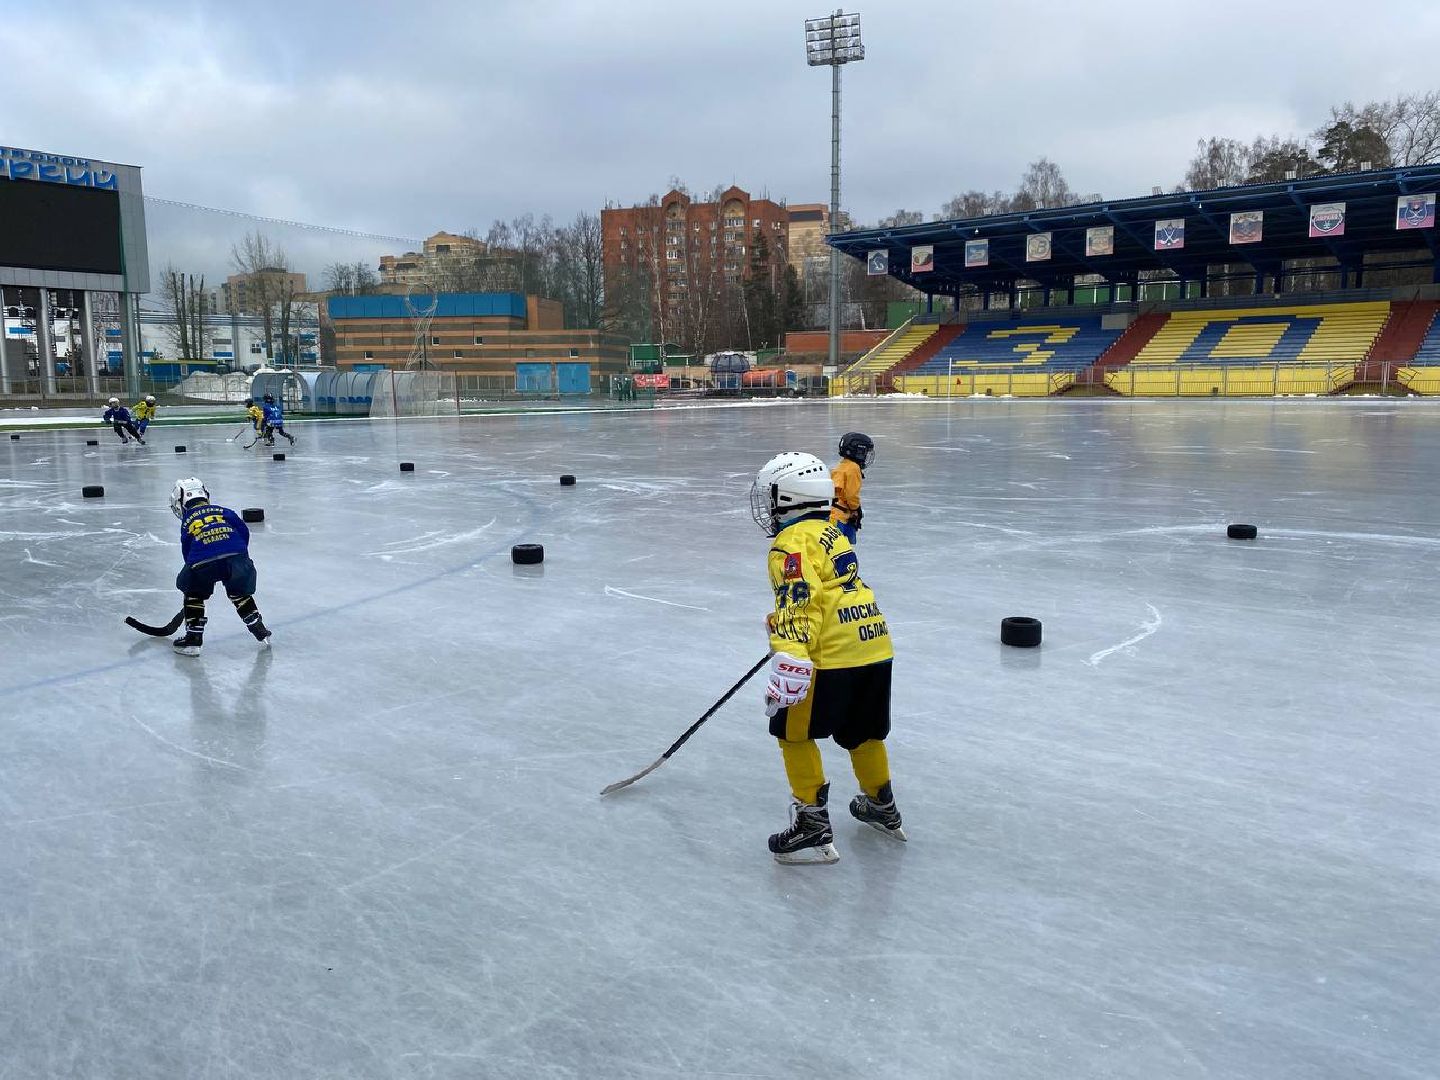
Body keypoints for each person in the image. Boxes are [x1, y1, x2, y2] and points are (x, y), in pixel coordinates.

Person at [750, 451, 903, 865]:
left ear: (788, 498)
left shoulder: (790, 543)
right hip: (873, 643)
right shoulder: (832, 532)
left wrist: (792, 655)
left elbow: (801, 600)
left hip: (828, 655)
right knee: (863, 734)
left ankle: (812, 823)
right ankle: (881, 805)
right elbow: (832, 590)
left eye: (771, 495)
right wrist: (780, 624)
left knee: (792, 734)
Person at [169, 477, 272, 656]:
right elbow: (243, 531)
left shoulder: (187, 520)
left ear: (180, 502)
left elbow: (187, 549)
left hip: (202, 561)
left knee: (193, 592)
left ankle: (193, 639)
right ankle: (259, 629)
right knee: (239, 593)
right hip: (237, 557)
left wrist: (193, 573)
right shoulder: (224, 511)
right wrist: (239, 554)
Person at [830, 432, 874, 544]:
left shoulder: (842, 465)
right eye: (865, 452)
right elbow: (851, 495)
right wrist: (856, 509)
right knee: (842, 548)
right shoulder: (854, 468)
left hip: (832, 514)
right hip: (839, 517)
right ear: (858, 451)